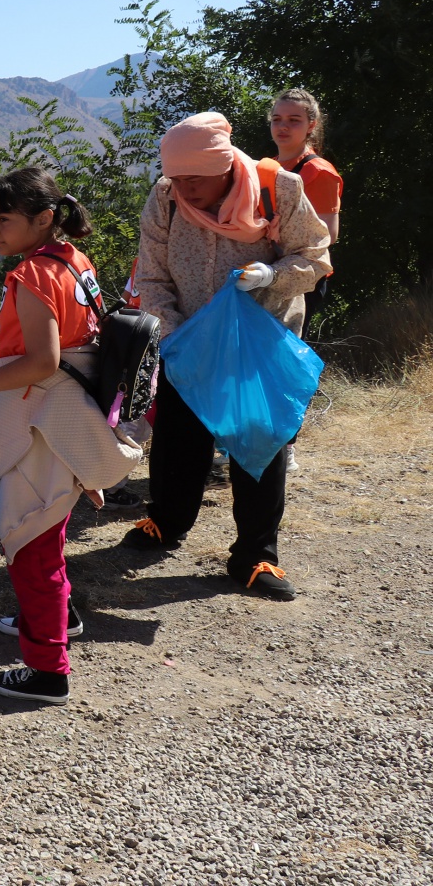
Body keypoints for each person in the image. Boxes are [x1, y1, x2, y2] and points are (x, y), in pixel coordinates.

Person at [0, 168, 143, 705]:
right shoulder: (75, 261)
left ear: (43, 219)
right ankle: (56, 620)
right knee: (51, 526)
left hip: (41, 419)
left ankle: (47, 669)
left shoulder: (30, 275)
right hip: (72, 415)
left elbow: (43, 361)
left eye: (4, 220)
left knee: (30, 539)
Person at [126, 112, 331, 600]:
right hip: (188, 341)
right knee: (179, 437)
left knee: (260, 443)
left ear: (223, 166)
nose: (185, 189)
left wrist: (271, 276)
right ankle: (166, 522)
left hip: (260, 340)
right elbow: (152, 277)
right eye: (177, 177)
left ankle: (256, 555)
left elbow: (315, 255)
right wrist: (176, 338)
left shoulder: (277, 188)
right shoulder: (166, 197)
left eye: (195, 178)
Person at [268, 87, 342, 339]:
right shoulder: (269, 166)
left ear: (311, 125)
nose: (283, 126)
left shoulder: (319, 172)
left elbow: (327, 235)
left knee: (284, 357)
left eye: (293, 120)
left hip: (301, 277)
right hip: (268, 273)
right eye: (277, 119)